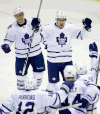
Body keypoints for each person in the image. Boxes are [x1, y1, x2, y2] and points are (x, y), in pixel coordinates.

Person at [40, 10, 92, 91]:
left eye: (63, 20)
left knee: (70, 84)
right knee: (53, 85)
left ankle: (68, 102)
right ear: (56, 20)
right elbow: (39, 38)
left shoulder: (70, 27)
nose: (61, 22)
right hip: (53, 63)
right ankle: (53, 102)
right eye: (59, 20)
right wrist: (35, 29)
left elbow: (81, 36)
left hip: (67, 62)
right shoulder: (48, 28)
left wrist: (86, 28)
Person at [1, 7, 45, 90]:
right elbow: (8, 40)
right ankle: (20, 95)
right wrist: (6, 45)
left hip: (36, 53)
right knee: (21, 78)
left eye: (20, 15)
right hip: (21, 56)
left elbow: (42, 33)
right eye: (17, 16)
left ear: (23, 14)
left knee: (39, 75)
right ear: (14, 16)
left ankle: (35, 92)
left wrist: (37, 27)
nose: (19, 17)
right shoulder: (12, 28)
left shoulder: (32, 21)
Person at [0, 75, 74, 114]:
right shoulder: (40, 94)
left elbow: (3, 109)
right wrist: (65, 87)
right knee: (52, 106)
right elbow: (57, 98)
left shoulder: (16, 94)